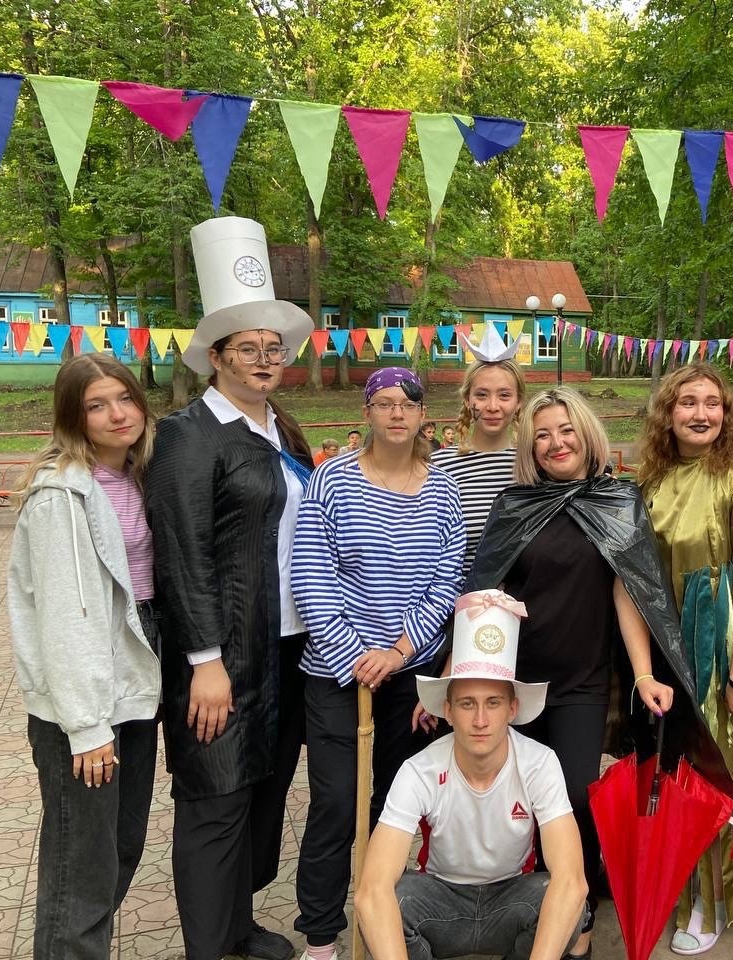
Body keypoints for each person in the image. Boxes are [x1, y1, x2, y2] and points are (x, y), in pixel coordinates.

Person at [467, 386, 731, 960]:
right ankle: (533, 906)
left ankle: (579, 922)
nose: (556, 443)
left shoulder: (617, 501)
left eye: (566, 430)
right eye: (542, 435)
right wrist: (457, 676)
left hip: (581, 684)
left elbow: (629, 590)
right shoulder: (514, 504)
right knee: (519, 802)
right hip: (514, 682)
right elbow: (484, 592)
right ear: (530, 447)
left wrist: (644, 674)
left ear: (587, 435)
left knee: (571, 799)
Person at [146, 216, 315, 960]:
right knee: (215, 794)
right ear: (216, 357)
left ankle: (238, 927)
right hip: (223, 652)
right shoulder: (188, 435)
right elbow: (182, 554)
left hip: (289, 644)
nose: (264, 359)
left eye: (273, 348)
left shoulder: (282, 429)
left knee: (263, 791)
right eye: (248, 348)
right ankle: (210, 947)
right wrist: (204, 661)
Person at [291, 367, 465, 960]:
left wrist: (398, 652)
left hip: (407, 673)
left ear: (422, 416)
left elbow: (446, 581)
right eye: (384, 402)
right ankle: (321, 933)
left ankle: (385, 913)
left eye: (407, 404)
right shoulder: (332, 480)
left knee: (395, 802)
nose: (396, 413)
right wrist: (353, 654)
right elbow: (311, 573)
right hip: (337, 674)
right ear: (367, 412)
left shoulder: (443, 491)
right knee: (337, 801)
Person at [7, 354, 161, 960]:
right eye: (96, 405)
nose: (117, 414)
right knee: (82, 865)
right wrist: (87, 727)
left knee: (120, 847)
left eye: (124, 398)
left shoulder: (134, 477)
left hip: (131, 682)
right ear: (74, 417)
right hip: (84, 699)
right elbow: (67, 619)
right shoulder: (62, 496)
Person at [635, 363, 733, 953]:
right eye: (687, 402)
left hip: (722, 654)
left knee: (718, 774)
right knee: (676, 770)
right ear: (667, 413)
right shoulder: (653, 479)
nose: (701, 414)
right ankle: (681, 884)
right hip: (667, 647)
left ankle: (715, 900)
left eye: (712, 403)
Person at [355, 589, 589, 960]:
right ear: (447, 710)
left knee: (564, 902)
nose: (480, 720)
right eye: (467, 704)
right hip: (439, 898)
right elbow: (371, 890)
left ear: (512, 708)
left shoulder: (539, 762)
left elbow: (573, 881)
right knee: (388, 905)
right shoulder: (419, 769)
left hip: (512, 898)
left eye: (493, 703)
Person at [429, 326, 529, 582]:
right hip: (458, 600)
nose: (493, 406)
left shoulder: (534, 464)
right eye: (481, 395)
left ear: (518, 401)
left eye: (504, 395)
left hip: (526, 600)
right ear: (467, 399)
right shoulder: (438, 467)